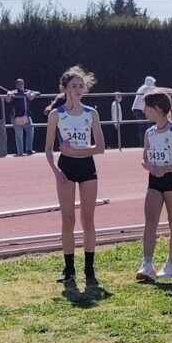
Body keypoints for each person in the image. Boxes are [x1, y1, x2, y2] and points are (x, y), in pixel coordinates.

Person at [44, 66, 105, 285]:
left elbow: (100, 147)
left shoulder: (91, 113)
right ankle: (69, 269)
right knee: (67, 219)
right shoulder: (56, 115)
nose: (78, 89)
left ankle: (89, 269)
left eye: (81, 86)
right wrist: (56, 170)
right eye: (74, 86)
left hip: (87, 166)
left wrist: (77, 151)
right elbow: (49, 149)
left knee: (88, 219)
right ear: (65, 89)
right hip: (66, 168)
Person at [136, 91, 172, 281]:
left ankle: (171, 264)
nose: (143, 111)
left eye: (146, 107)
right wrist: (148, 166)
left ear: (157, 109)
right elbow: (144, 157)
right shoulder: (149, 132)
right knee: (150, 220)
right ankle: (147, 264)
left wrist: (166, 169)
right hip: (154, 181)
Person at [7, 78, 40, 156]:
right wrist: (9, 94)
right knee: (18, 135)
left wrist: (33, 94)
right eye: (18, 83)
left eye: (22, 83)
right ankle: (20, 152)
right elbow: (7, 100)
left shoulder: (27, 91)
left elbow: (38, 92)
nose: (20, 85)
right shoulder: (13, 92)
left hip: (26, 116)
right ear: (16, 85)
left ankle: (29, 149)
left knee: (30, 131)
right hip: (16, 116)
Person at [132, 75, 157, 145]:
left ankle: (143, 144)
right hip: (140, 110)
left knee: (143, 127)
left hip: (136, 109)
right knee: (145, 127)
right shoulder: (149, 87)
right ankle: (144, 144)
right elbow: (159, 90)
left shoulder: (141, 88)